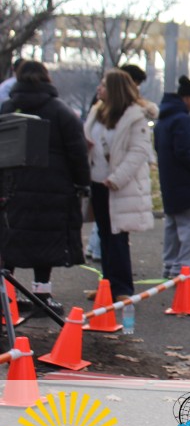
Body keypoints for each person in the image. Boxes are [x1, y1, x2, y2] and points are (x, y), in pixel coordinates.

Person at [0, 61, 90, 315]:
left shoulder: (8, 108)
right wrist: (82, 182)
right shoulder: (61, 111)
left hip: (13, 186)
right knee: (46, 241)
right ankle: (42, 295)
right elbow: (77, 152)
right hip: (53, 188)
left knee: (10, 239)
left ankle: (7, 296)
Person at [84, 69, 156, 300]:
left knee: (117, 236)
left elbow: (139, 152)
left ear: (115, 89)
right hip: (97, 182)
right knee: (104, 234)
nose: (99, 88)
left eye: (104, 85)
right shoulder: (97, 112)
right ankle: (107, 285)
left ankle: (122, 288)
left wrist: (117, 178)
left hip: (119, 186)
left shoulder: (135, 117)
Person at [155, 76, 190, 279]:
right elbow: (183, 151)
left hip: (168, 178)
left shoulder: (164, 118)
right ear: (187, 98)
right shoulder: (182, 119)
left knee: (173, 223)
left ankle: (170, 264)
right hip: (186, 180)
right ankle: (185, 266)